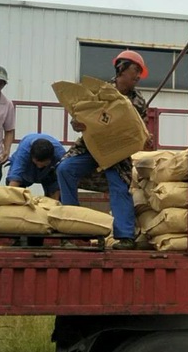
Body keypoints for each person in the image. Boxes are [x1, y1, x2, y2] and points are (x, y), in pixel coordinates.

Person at [56, 50, 149, 250]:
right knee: (65, 169)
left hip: (117, 151)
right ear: (121, 68)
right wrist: (77, 124)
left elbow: (140, 129)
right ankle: (72, 229)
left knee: (119, 183)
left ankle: (125, 236)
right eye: (136, 70)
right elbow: (80, 114)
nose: (138, 76)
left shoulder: (139, 101)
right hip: (92, 146)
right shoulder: (98, 91)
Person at [5, 133, 65, 200]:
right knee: (15, 193)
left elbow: (63, 178)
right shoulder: (24, 152)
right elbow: (15, 177)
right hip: (27, 169)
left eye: (43, 164)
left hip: (49, 171)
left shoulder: (60, 154)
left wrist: (57, 200)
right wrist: (10, 199)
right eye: (37, 163)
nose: (39, 167)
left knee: (57, 193)